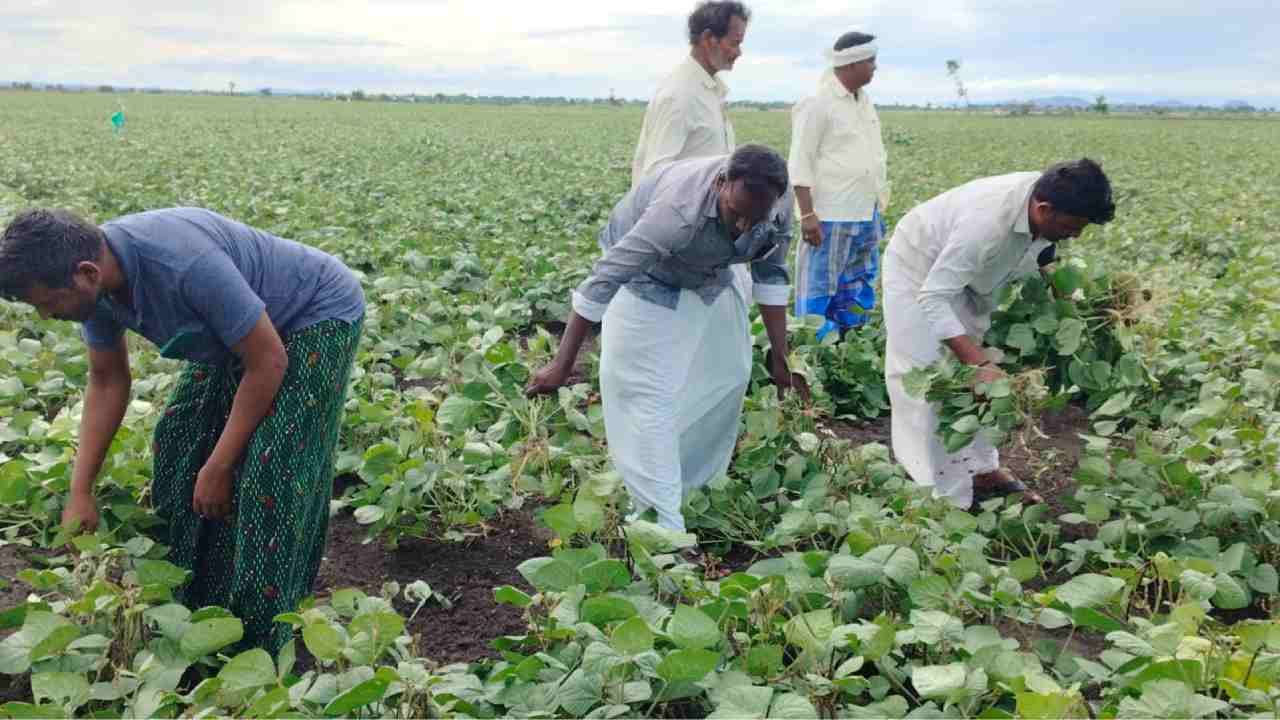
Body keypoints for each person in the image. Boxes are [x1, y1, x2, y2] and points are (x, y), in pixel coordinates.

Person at [0, 207, 365, 652]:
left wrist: (219, 465)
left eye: (47, 302)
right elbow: (108, 379)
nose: (45, 315)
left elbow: (267, 361)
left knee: (272, 468)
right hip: (234, 330)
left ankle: (260, 638)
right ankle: (195, 594)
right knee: (177, 436)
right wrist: (81, 491)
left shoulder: (183, 264)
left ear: (86, 273)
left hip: (313, 313)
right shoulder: (95, 290)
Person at [527, 145, 806, 534]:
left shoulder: (777, 198)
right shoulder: (675, 215)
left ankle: (693, 486)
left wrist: (781, 359)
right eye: (736, 213)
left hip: (714, 273)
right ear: (720, 182)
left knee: (730, 375)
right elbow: (603, 280)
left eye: (754, 217)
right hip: (649, 277)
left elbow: (771, 274)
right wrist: (562, 363)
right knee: (646, 395)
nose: (744, 226)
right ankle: (660, 525)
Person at [883, 159, 1115, 508]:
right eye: (1071, 227)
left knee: (977, 382)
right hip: (919, 268)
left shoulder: (1048, 200)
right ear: (1043, 209)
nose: (1076, 235)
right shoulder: (984, 225)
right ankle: (938, 494)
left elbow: (1044, 248)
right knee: (929, 378)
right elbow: (933, 297)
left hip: (974, 277)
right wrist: (977, 362)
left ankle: (981, 468)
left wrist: (1062, 290)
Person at [632, 0, 754, 300]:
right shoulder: (681, 94)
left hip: (707, 236)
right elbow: (655, 176)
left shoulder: (708, 90)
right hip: (683, 242)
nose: (739, 52)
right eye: (734, 43)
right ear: (709, 39)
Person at [790, 31, 890, 341]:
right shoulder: (818, 103)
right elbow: (799, 162)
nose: (875, 67)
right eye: (870, 61)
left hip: (865, 211)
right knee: (820, 284)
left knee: (858, 281)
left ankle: (850, 342)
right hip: (830, 213)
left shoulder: (864, 102)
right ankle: (813, 349)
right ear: (851, 64)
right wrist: (808, 215)